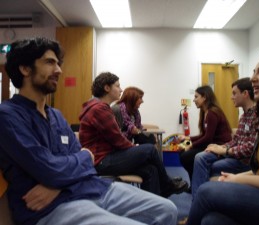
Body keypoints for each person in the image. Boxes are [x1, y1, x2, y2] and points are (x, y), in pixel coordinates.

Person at [0, 37, 178, 225]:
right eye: (49, 62)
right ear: (25, 69)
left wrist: (59, 182)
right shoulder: (8, 116)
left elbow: (84, 162)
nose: (59, 70)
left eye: (58, 63)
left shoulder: (57, 116)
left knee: (168, 210)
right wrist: (81, 161)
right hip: (53, 207)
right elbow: (53, 169)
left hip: (91, 188)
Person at [186, 50, 259, 225]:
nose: (253, 78)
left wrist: (237, 178)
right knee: (212, 220)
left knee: (206, 191)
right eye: (254, 72)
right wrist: (233, 174)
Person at [79, 72, 188, 197]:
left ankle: (154, 207)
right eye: (117, 86)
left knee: (150, 170)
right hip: (102, 161)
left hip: (107, 157)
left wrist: (134, 148)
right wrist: (135, 148)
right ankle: (167, 184)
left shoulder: (100, 107)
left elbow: (116, 139)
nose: (121, 89)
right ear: (107, 88)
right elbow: (118, 140)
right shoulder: (99, 109)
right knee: (150, 150)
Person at [191, 77, 257, 198]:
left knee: (202, 159)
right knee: (203, 157)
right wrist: (220, 146)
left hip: (245, 162)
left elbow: (251, 148)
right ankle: (205, 196)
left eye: (234, 93)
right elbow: (236, 141)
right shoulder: (243, 117)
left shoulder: (256, 116)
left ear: (245, 94)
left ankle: (199, 199)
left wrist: (225, 150)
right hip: (235, 156)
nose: (231, 97)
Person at [179, 85, 232, 187]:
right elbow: (204, 135)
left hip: (219, 146)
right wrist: (187, 139)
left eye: (196, 97)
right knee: (181, 150)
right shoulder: (205, 112)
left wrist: (191, 145)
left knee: (186, 156)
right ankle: (194, 183)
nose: (194, 100)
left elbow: (207, 138)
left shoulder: (212, 112)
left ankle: (198, 184)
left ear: (204, 97)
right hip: (210, 143)